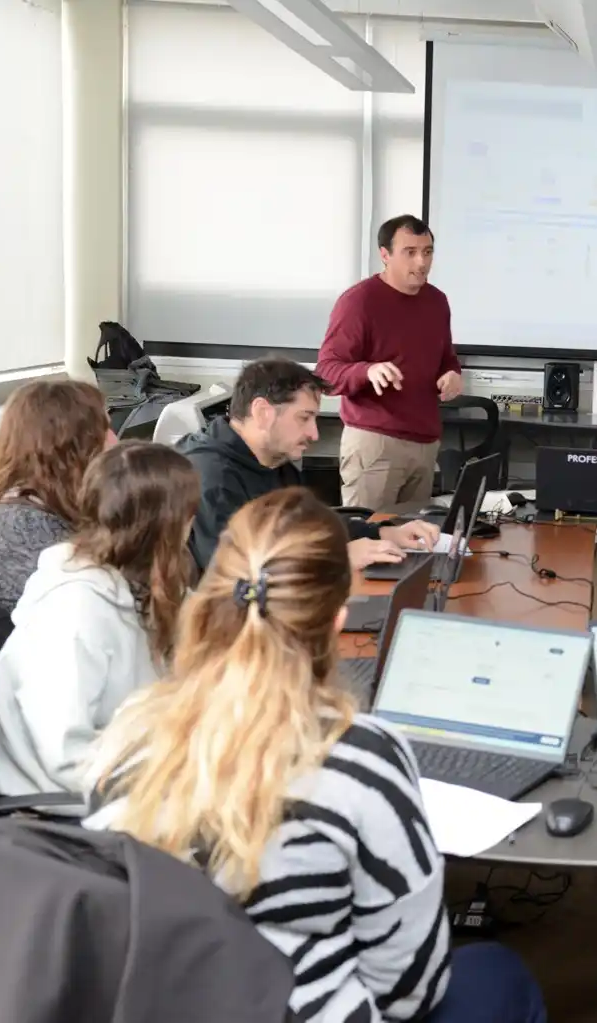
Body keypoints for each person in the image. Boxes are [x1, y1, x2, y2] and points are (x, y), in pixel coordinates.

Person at [84, 488, 546, 1023]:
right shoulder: (361, 758)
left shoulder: (127, 736)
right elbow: (408, 994)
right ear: (335, 622)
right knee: (497, 972)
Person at [0, 442, 200, 797]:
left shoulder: (140, 586)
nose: (194, 523)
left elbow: (202, 624)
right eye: (190, 512)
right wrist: (177, 774)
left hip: (128, 769)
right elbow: (64, 756)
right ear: (165, 527)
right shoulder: (76, 613)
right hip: (62, 805)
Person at [178, 357, 437, 571]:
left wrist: (382, 533)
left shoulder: (274, 460)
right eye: (304, 418)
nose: (314, 434)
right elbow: (229, 575)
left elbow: (310, 525)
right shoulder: (210, 476)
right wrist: (336, 559)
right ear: (263, 413)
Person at [317, 214, 464, 510]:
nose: (421, 262)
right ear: (384, 255)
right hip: (376, 444)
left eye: (427, 252)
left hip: (424, 445)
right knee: (368, 540)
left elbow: (446, 358)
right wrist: (368, 370)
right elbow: (326, 373)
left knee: (413, 546)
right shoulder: (359, 301)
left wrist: (452, 374)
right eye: (410, 252)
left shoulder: (437, 301)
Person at [0, 379, 116, 610]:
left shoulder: (57, 499)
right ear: (70, 445)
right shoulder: (23, 525)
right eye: (105, 430)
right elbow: (94, 606)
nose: (115, 439)